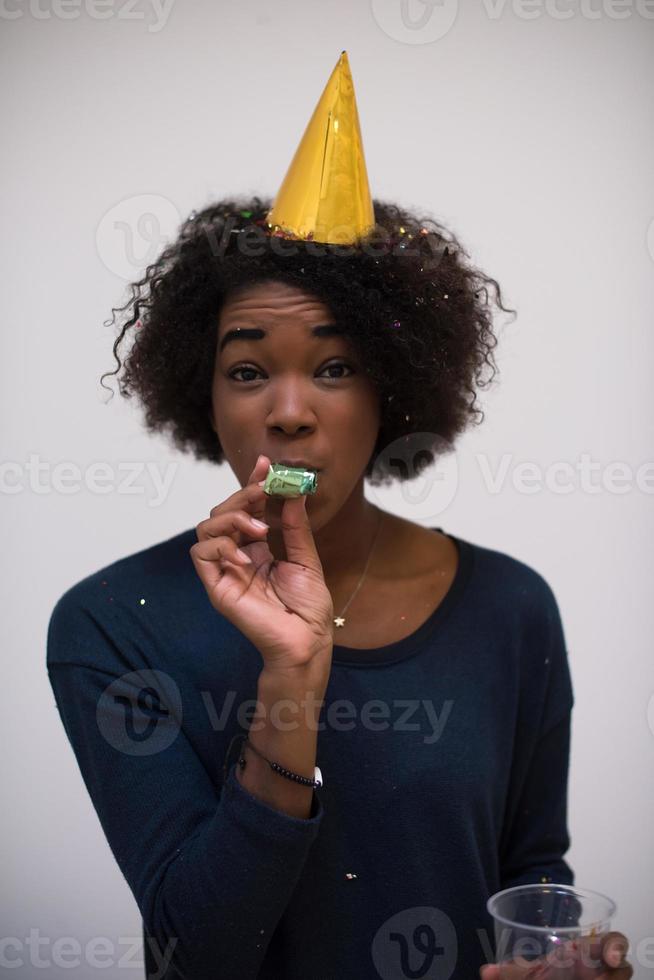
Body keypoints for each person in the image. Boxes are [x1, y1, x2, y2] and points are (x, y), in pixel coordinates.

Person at [46, 53, 633, 980]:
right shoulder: (114, 624)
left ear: (392, 392)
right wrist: (291, 673)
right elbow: (197, 953)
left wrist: (556, 960)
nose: (288, 410)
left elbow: (528, 878)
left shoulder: (514, 608)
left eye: (332, 367)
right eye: (247, 370)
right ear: (200, 397)